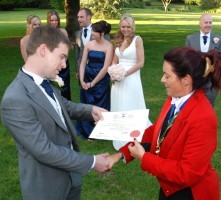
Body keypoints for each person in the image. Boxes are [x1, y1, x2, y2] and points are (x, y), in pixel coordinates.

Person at [1, 26, 110, 200]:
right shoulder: (15, 100)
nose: (64, 65)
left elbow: (62, 106)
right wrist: (92, 162)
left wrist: (91, 110)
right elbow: (43, 150)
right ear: (43, 50)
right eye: (62, 57)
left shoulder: (45, 81)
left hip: (71, 178)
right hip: (46, 188)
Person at [107, 47, 221, 200]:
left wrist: (144, 158)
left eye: (167, 76)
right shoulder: (176, 98)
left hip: (191, 194)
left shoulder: (204, 118)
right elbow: (157, 131)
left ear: (186, 79)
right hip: (169, 188)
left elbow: (186, 173)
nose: (162, 79)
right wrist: (119, 155)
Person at [111, 14, 151, 150]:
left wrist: (124, 74)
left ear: (133, 27)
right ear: (120, 27)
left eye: (128, 27)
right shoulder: (118, 40)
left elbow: (141, 63)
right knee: (119, 104)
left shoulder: (137, 40)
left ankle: (134, 133)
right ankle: (120, 132)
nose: (125, 29)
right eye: (123, 26)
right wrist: (113, 72)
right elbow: (114, 60)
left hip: (131, 78)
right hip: (118, 79)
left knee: (129, 104)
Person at [75, 20, 113, 140]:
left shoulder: (109, 46)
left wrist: (93, 83)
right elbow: (82, 63)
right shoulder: (89, 44)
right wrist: (82, 80)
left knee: (101, 104)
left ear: (102, 33)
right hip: (87, 76)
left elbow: (106, 67)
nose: (92, 34)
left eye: (94, 32)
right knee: (86, 104)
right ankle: (87, 132)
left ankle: (100, 132)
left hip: (101, 80)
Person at [185, 13, 221, 107]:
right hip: (195, 79)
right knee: (193, 105)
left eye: (210, 22)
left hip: (211, 81)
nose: (208, 25)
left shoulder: (218, 39)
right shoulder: (191, 38)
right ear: (200, 23)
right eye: (206, 22)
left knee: (209, 106)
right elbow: (185, 58)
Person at [75, 8, 110, 80]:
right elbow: (77, 54)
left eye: (81, 17)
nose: (79, 19)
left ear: (89, 17)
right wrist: (77, 70)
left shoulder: (100, 30)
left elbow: (108, 51)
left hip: (98, 71)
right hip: (83, 71)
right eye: (78, 17)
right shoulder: (77, 33)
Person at [47, 10, 71, 100]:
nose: (54, 22)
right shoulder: (46, 33)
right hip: (50, 64)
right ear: (48, 21)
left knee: (64, 88)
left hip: (63, 63)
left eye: (56, 20)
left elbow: (67, 48)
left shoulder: (63, 31)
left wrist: (63, 61)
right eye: (52, 20)